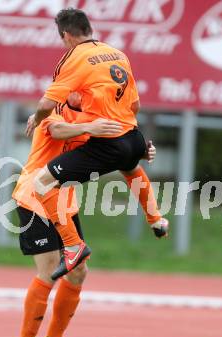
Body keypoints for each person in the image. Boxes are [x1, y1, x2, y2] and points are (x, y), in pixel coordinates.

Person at [26, 8, 169, 280]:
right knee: (131, 170)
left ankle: (73, 246)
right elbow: (135, 104)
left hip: (108, 141)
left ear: (66, 35)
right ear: (88, 29)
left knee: (42, 183)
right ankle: (157, 220)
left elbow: (47, 106)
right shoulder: (118, 54)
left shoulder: (74, 58)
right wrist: (128, 136)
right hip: (134, 137)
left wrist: (37, 116)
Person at [11, 101, 123, 337]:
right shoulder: (52, 109)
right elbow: (59, 130)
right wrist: (90, 127)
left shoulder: (92, 110)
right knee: (49, 270)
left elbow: (114, 144)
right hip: (35, 198)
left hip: (64, 203)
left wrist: (141, 150)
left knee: (79, 270)